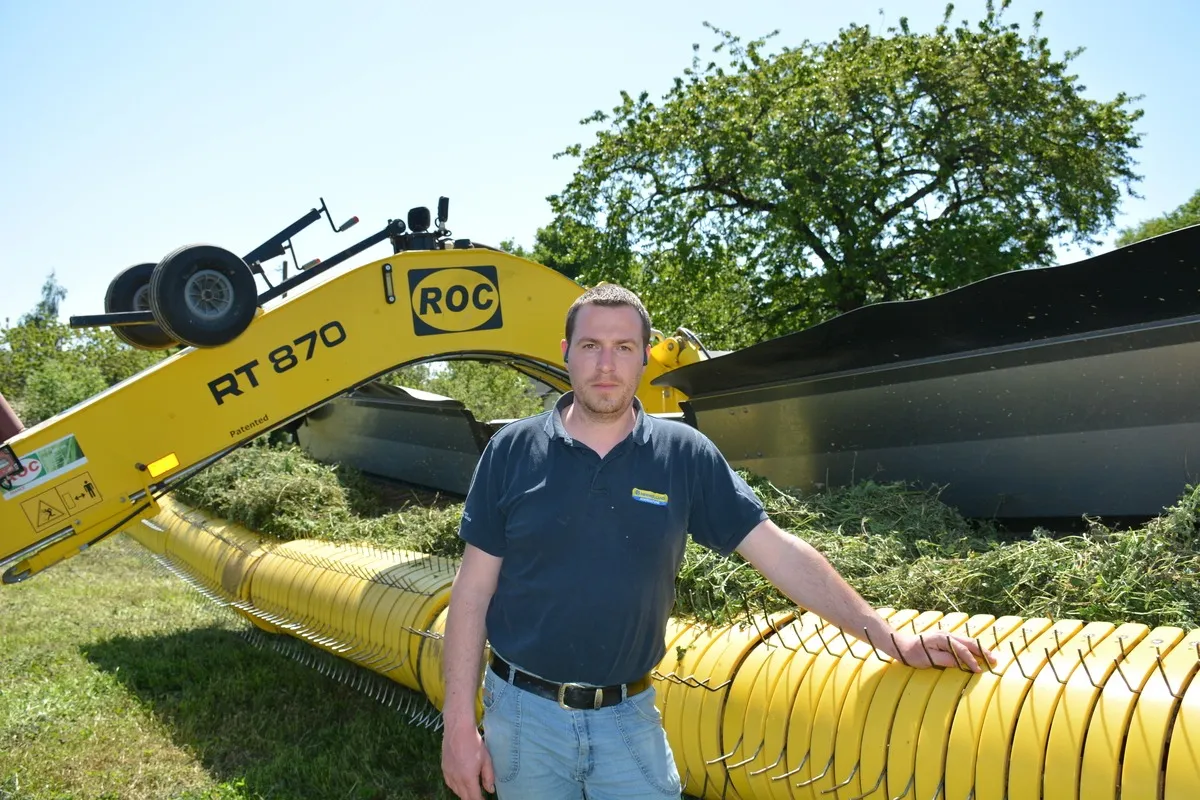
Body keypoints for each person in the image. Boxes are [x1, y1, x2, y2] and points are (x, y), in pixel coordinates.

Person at [440, 284, 995, 800]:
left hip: (626, 716)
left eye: (623, 347)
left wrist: (887, 635)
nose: (605, 365)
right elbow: (472, 592)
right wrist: (460, 726)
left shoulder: (683, 454)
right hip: (523, 714)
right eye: (590, 345)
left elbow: (778, 551)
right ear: (566, 352)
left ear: (644, 355)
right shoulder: (513, 450)